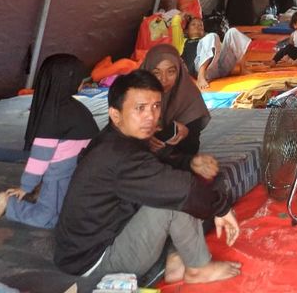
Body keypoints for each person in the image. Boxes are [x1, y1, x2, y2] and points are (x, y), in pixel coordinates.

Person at [53, 70, 240, 284]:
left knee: (172, 187)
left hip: (84, 246)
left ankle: (176, 260)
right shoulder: (117, 155)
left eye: (156, 106)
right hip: (95, 261)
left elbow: (154, 165)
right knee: (176, 196)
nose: (151, 116)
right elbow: (180, 188)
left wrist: (188, 162)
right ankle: (198, 268)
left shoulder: (115, 139)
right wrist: (221, 207)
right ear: (116, 114)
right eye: (140, 108)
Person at [0, 54, 98, 226]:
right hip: (60, 176)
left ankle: (39, 192)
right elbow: (39, 158)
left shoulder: (63, 111)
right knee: (48, 218)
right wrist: (25, 187)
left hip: (72, 174)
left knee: (64, 214)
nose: (83, 84)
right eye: (80, 79)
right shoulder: (57, 116)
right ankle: (10, 204)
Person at [141, 44, 210, 169]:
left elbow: (191, 147)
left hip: (174, 160)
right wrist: (142, 138)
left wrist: (186, 132)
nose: (164, 80)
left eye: (171, 72)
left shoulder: (188, 95)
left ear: (179, 72)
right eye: (156, 73)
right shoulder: (134, 92)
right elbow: (117, 132)